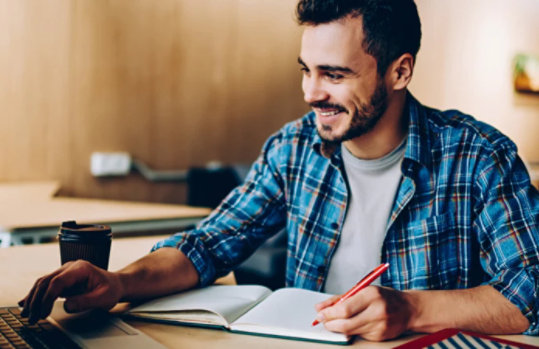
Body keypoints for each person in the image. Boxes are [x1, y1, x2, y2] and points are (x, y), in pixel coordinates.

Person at [20, 0, 539, 342]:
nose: (312, 92)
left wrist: (412, 310)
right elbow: (208, 245)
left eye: (334, 74)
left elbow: (530, 290)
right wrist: (116, 282)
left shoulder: (478, 157)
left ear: (400, 70)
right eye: (306, 70)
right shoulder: (293, 148)